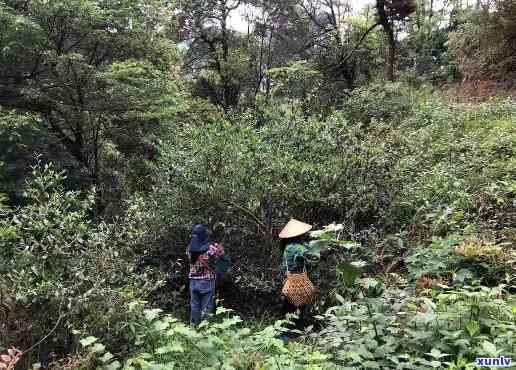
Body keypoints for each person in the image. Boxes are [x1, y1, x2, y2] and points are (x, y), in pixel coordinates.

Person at [278, 218, 314, 339]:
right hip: (298, 283)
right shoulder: (296, 247)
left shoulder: (288, 246)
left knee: (288, 310)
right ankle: (289, 337)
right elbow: (311, 255)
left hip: (289, 282)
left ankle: (287, 336)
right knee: (296, 311)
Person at [187, 224, 225, 326]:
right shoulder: (211, 248)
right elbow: (221, 258)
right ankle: (206, 330)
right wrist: (220, 249)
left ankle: (193, 328)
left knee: (194, 306)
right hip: (207, 281)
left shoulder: (189, 249)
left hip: (193, 282)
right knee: (207, 307)